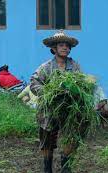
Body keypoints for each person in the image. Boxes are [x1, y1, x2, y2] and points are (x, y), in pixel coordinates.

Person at [30, 30, 81, 173]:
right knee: (47, 142)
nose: (65, 48)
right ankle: (47, 169)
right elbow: (34, 82)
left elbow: (82, 85)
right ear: (54, 48)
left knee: (70, 137)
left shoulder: (75, 66)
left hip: (69, 109)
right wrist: (48, 92)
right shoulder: (46, 67)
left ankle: (66, 167)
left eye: (67, 45)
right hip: (49, 110)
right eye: (61, 45)